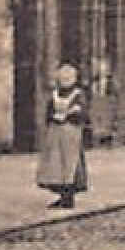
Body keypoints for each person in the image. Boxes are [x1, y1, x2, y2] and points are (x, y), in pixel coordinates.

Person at [36, 62, 89, 209]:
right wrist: (53, 118)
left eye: (68, 77)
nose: (65, 79)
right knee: (56, 164)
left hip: (71, 133)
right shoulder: (54, 95)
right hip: (56, 133)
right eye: (62, 77)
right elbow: (48, 113)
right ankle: (62, 195)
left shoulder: (78, 94)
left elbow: (83, 115)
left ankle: (69, 196)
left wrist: (72, 115)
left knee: (69, 164)